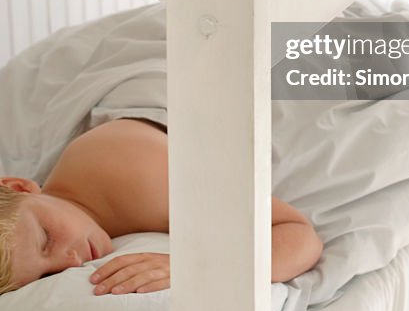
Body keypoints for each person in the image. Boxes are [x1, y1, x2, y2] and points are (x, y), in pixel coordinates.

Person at [0, 117, 322, 295]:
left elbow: (298, 234)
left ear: (18, 186)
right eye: (47, 276)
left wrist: (201, 267)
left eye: (47, 239)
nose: (69, 263)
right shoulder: (70, 213)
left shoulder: (149, 189)